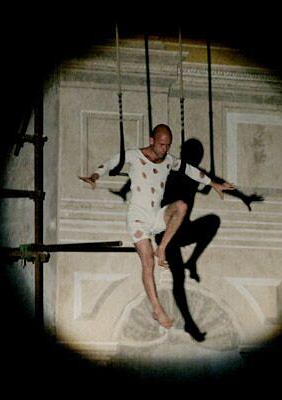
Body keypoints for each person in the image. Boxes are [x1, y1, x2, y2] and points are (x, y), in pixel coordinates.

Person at [79, 124, 236, 329]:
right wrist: (94, 176)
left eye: (168, 145)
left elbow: (190, 170)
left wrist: (213, 183)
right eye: (161, 145)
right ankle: (157, 309)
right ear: (152, 140)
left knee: (181, 206)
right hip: (138, 219)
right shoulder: (134, 155)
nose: (164, 149)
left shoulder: (169, 160)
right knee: (148, 262)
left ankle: (161, 248)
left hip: (156, 216)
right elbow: (111, 162)